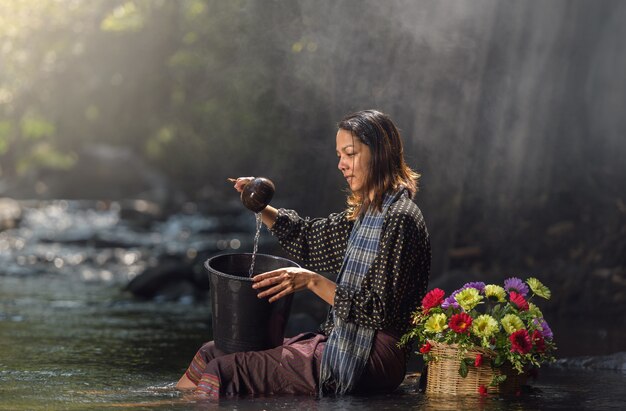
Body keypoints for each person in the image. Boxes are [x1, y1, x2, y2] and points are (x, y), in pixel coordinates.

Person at [176, 109, 431, 398]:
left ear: (380, 153)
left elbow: (379, 313)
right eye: (339, 155)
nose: (341, 165)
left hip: (373, 355)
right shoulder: (367, 214)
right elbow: (309, 238)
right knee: (212, 352)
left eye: (350, 154)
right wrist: (260, 206)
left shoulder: (400, 218)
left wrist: (311, 281)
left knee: (224, 371)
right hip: (344, 339)